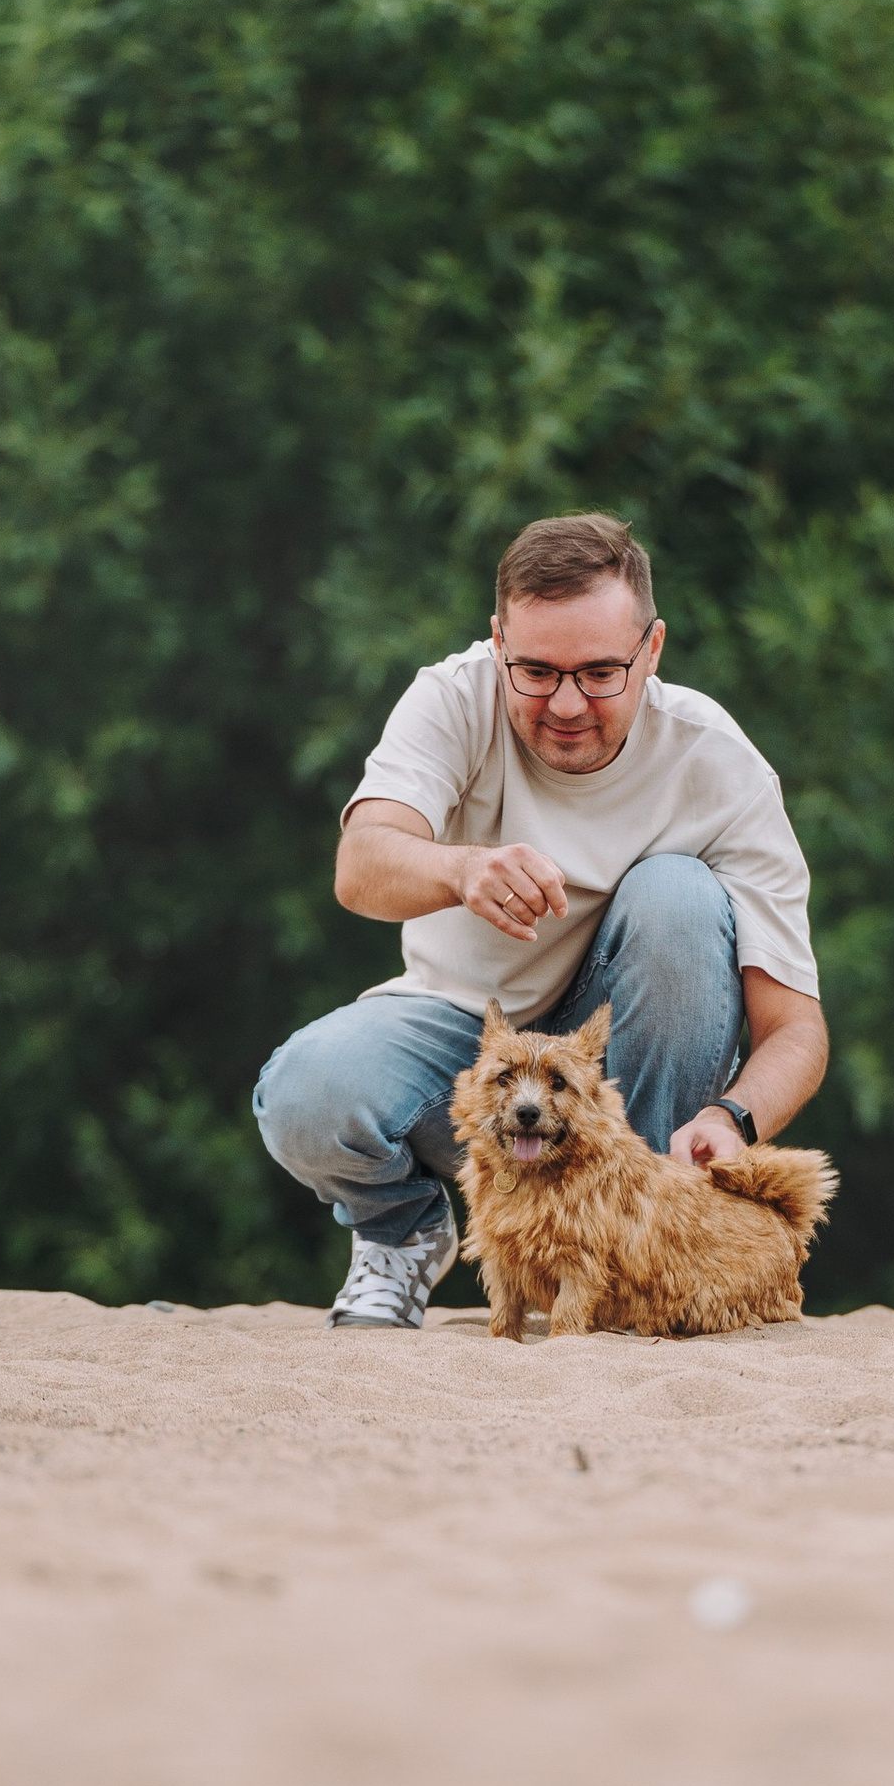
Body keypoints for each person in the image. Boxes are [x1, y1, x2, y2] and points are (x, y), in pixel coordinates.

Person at [254, 510, 829, 1326]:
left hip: (619, 1086)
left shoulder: (718, 764)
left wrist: (731, 1118)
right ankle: (402, 1236)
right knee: (303, 1094)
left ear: (652, 650)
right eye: (535, 671)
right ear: (498, 642)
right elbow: (360, 867)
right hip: (461, 1026)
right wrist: (459, 868)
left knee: (678, 896)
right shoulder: (451, 698)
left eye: (599, 673)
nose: (565, 703)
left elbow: (797, 1030)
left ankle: (638, 1244)